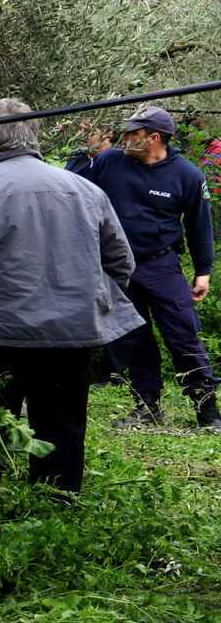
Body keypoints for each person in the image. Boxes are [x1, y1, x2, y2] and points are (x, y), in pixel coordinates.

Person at [0, 101, 141, 493]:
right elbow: (121, 263)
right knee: (62, 423)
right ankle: (55, 508)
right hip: (70, 334)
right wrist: (89, 303)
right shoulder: (85, 190)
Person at [68, 106, 219, 430]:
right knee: (133, 338)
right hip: (116, 268)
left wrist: (203, 270)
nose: (124, 137)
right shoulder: (109, 161)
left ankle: (207, 411)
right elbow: (75, 194)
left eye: (132, 133)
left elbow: (199, 226)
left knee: (183, 336)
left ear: (153, 138)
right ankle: (147, 407)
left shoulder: (186, 175)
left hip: (161, 264)